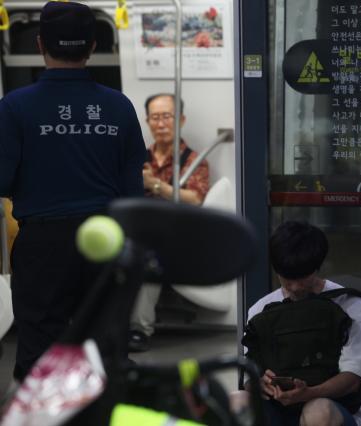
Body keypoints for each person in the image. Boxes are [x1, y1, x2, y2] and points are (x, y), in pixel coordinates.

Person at [0, 1, 146, 381]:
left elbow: (1, 180)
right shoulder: (119, 107)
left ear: (39, 43)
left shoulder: (15, 107)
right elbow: (134, 189)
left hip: (43, 242)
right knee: (105, 345)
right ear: (93, 46)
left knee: (39, 348)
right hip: (108, 239)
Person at [244, 221, 361, 426]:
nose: (296, 287)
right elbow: (247, 376)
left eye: (303, 278)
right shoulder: (260, 310)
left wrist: (309, 393)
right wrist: (259, 384)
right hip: (277, 409)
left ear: (317, 268)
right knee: (237, 401)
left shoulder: (347, 303)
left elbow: (353, 379)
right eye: (288, 279)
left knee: (318, 411)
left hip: (335, 410)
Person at [128, 93, 210, 352]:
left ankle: (139, 329)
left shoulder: (193, 160)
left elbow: (195, 198)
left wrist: (154, 184)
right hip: (140, 230)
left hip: (179, 236)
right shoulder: (138, 158)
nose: (160, 123)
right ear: (147, 121)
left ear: (181, 120)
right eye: (155, 117)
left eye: (167, 116)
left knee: (146, 254)